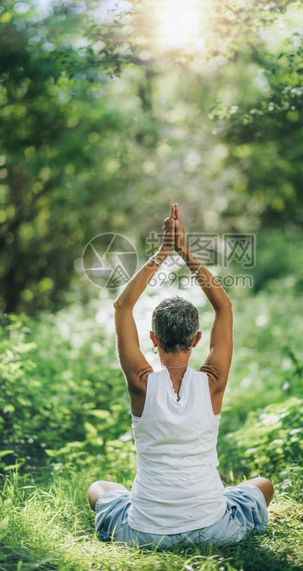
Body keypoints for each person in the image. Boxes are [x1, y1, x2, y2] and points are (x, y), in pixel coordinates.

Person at [87, 203, 273, 548]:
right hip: (213, 529)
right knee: (262, 485)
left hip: (145, 533)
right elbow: (224, 307)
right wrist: (185, 252)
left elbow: (122, 307)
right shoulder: (212, 382)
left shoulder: (142, 383)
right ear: (197, 340)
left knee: (99, 489)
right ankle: (213, 506)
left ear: (153, 340)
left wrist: (162, 253)